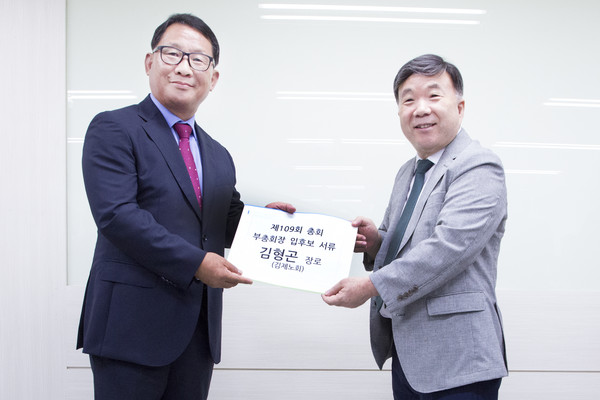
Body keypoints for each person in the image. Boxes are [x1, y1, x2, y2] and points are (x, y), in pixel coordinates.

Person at [76, 13, 294, 400]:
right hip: (129, 329)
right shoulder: (114, 128)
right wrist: (197, 263)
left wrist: (268, 225)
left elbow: (224, 221)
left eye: (197, 59)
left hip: (197, 332)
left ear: (213, 78)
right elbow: (117, 216)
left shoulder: (218, 154)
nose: (183, 67)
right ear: (150, 62)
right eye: (172, 53)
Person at [322, 54, 508, 399]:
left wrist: (369, 286)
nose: (420, 109)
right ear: (399, 113)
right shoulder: (409, 171)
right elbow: (406, 242)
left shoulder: (478, 165)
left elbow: (448, 249)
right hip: (410, 354)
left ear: (460, 107)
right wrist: (376, 241)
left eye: (434, 95)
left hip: (459, 360)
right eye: (408, 100)